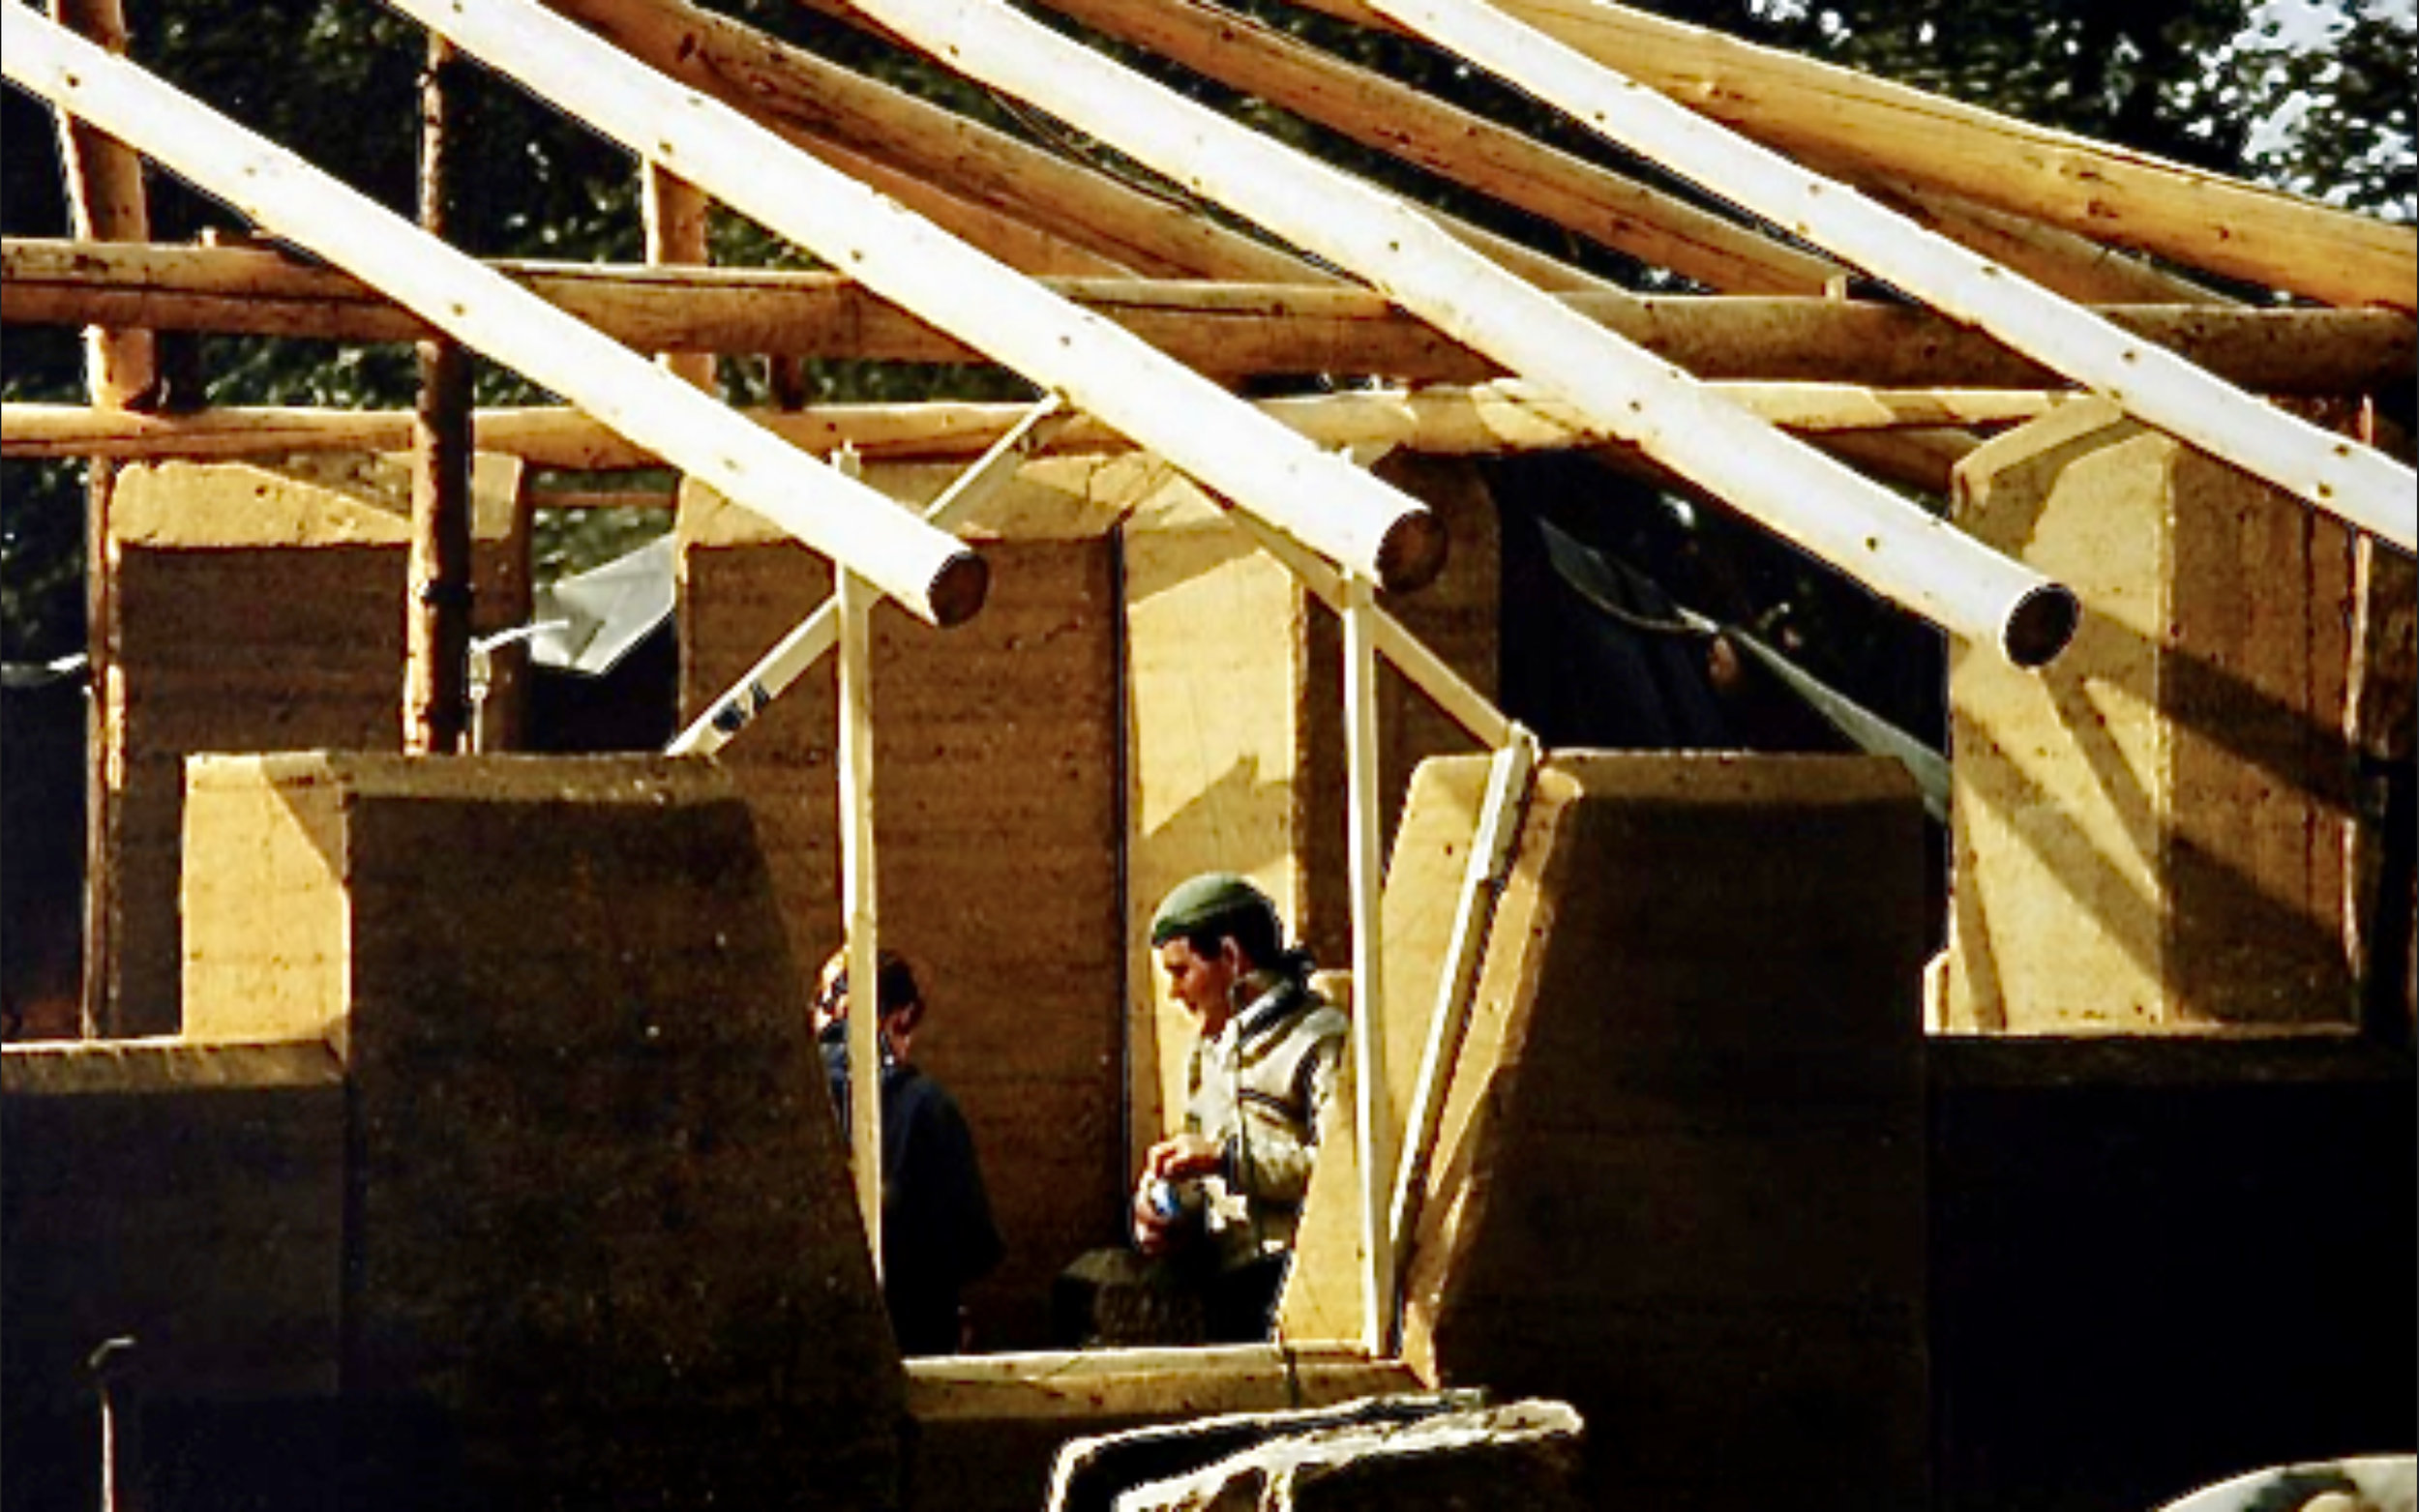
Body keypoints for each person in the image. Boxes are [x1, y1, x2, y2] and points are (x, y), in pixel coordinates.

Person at [1067, 873, 1349, 1345]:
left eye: (1181, 972)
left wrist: (1226, 1159)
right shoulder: (1207, 1053)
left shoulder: (1319, 1040)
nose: (1175, 993)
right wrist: (1163, 1208)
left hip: (1297, 1276)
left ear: (1231, 957)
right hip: (1222, 1275)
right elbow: (1200, 1173)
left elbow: (1341, 1174)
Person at [816, 947, 1004, 1355]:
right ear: (899, 1017)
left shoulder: (780, 1098)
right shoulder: (927, 1107)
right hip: (908, 1343)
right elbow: (975, 1245)